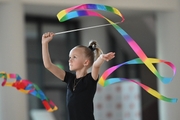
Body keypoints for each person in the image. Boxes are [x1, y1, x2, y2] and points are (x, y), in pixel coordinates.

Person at [42, 32, 115, 120]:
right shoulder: (69, 79)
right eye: (70, 57)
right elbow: (48, 65)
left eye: (74, 57)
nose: (70, 60)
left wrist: (101, 58)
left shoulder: (90, 79)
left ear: (86, 62)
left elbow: (96, 66)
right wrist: (44, 43)